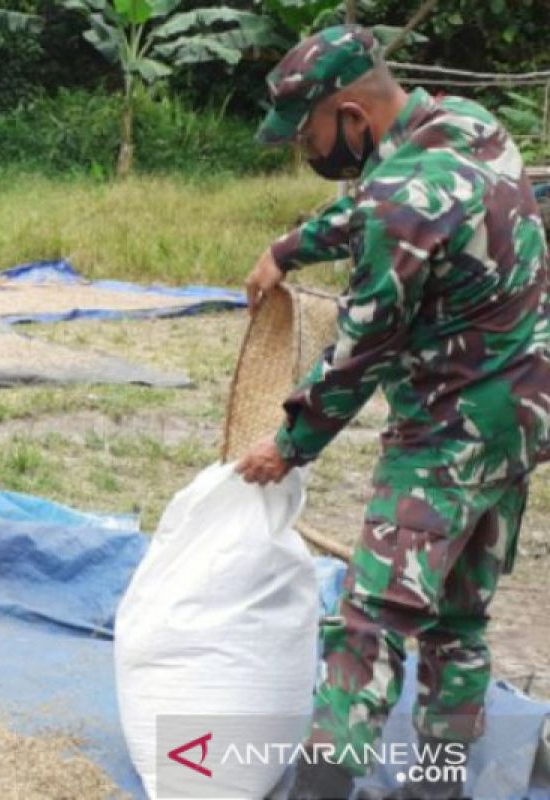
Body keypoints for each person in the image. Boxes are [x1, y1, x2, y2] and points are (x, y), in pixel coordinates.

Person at [236, 25, 550, 799]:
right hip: (523, 419)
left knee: (370, 622)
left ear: (350, 115)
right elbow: (390, 210)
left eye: (308, 134)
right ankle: (440, 785)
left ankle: (320, 790)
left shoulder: (395, 199)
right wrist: (289, 246)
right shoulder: (467, 127)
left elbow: (361, 350)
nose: (307, 152)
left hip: (447, 434)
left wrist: (289, 444)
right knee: (458, 620)